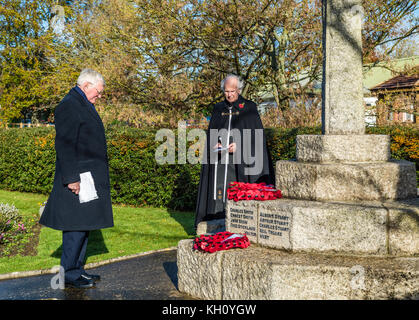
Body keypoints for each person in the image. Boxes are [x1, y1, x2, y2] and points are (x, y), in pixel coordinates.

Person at [40, 68, 114, 289]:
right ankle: (69, 273)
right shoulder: (69, 105)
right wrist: (71, 178)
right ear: (86, 86)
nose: (99, 96)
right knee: (74, 226)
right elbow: (65, 144)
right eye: (98, 92)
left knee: (84, 224)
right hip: (77, 177)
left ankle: (77, 269)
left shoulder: (82, 103)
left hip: (87, 176)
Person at [194, 74, 275, 229]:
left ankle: (239, 225)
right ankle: (214, 224)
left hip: (241, 164)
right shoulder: (218, 109)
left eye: (232, 91)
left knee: (237, 192)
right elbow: (213, 133)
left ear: (239, 90)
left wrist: (240, 146)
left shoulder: (249, 108)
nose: (229, 94)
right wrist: (215, 144)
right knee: (218, 193)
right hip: (220, 162)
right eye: (226, 91)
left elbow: (256, 137)